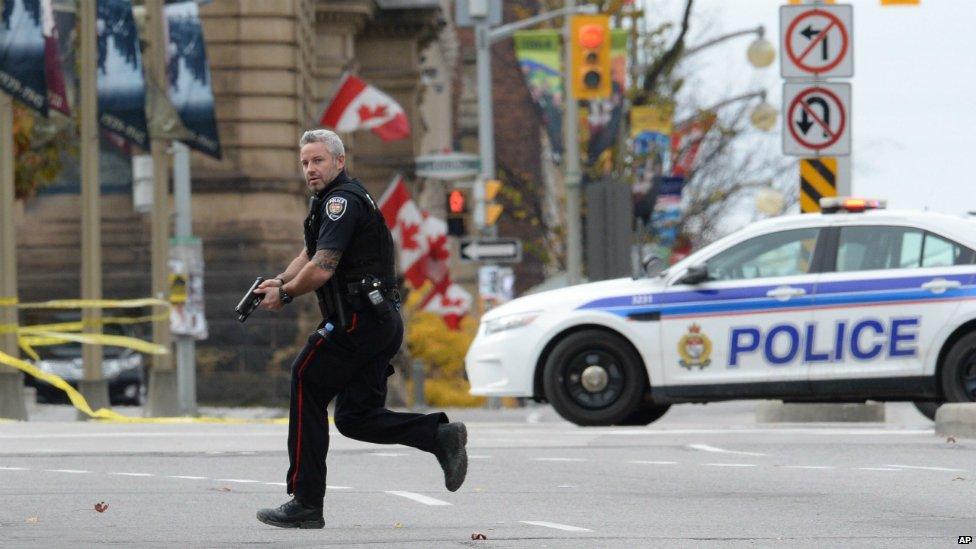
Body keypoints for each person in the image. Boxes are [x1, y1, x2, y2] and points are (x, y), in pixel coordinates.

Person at [253, 129, 468, 529]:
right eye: (304, 163)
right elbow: (308, 254)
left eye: (318, 160)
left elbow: (322, 267)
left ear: (339, 161)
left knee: (305, 379)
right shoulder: (329, 203)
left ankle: (305, 502)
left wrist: (285, 296)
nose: (310, 169)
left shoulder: (340, 203)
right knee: (355, 417)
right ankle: (439, 436)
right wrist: (280, 281)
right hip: (375, 322)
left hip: (356, 323)